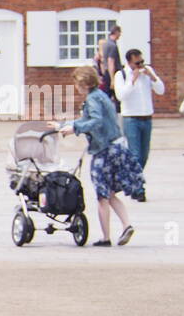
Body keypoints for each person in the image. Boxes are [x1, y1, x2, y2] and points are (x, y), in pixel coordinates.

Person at [56, 67, 140, 245]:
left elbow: (95, 121)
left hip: (103, 151)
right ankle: (127, 225)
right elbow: (91, 119)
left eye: (78, 84)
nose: (77, 88)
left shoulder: (92, 99)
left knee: (102, 195)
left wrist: (74, 129)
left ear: (84, 83)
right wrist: (64, 124)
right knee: (109, 193)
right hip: (117, 146)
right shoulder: (101, 95)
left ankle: (106, 237)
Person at [112, 48, 162, 189]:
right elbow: (121, 96)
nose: (140, 65)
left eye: (142, 62)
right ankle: (138, 187)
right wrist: (132, 80)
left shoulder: (147, 72)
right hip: (131, 118)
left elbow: (161, 90)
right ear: (129, 62)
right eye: (137, 63)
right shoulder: (121, 75)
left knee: (144, 154)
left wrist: (152, 77)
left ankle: (132, 179)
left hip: (147, 117)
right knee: (135, 154)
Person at [99, 25, 123, 108]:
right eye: (120, 32)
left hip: (106, 72)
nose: (120, 34)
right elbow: (111, 62)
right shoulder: (113, 46)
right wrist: (113, 79)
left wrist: (103, 73)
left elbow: (102, 60)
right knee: (117, 96)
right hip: (112, 73)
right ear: (116, 32)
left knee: (107, 95)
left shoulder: (105, 44)